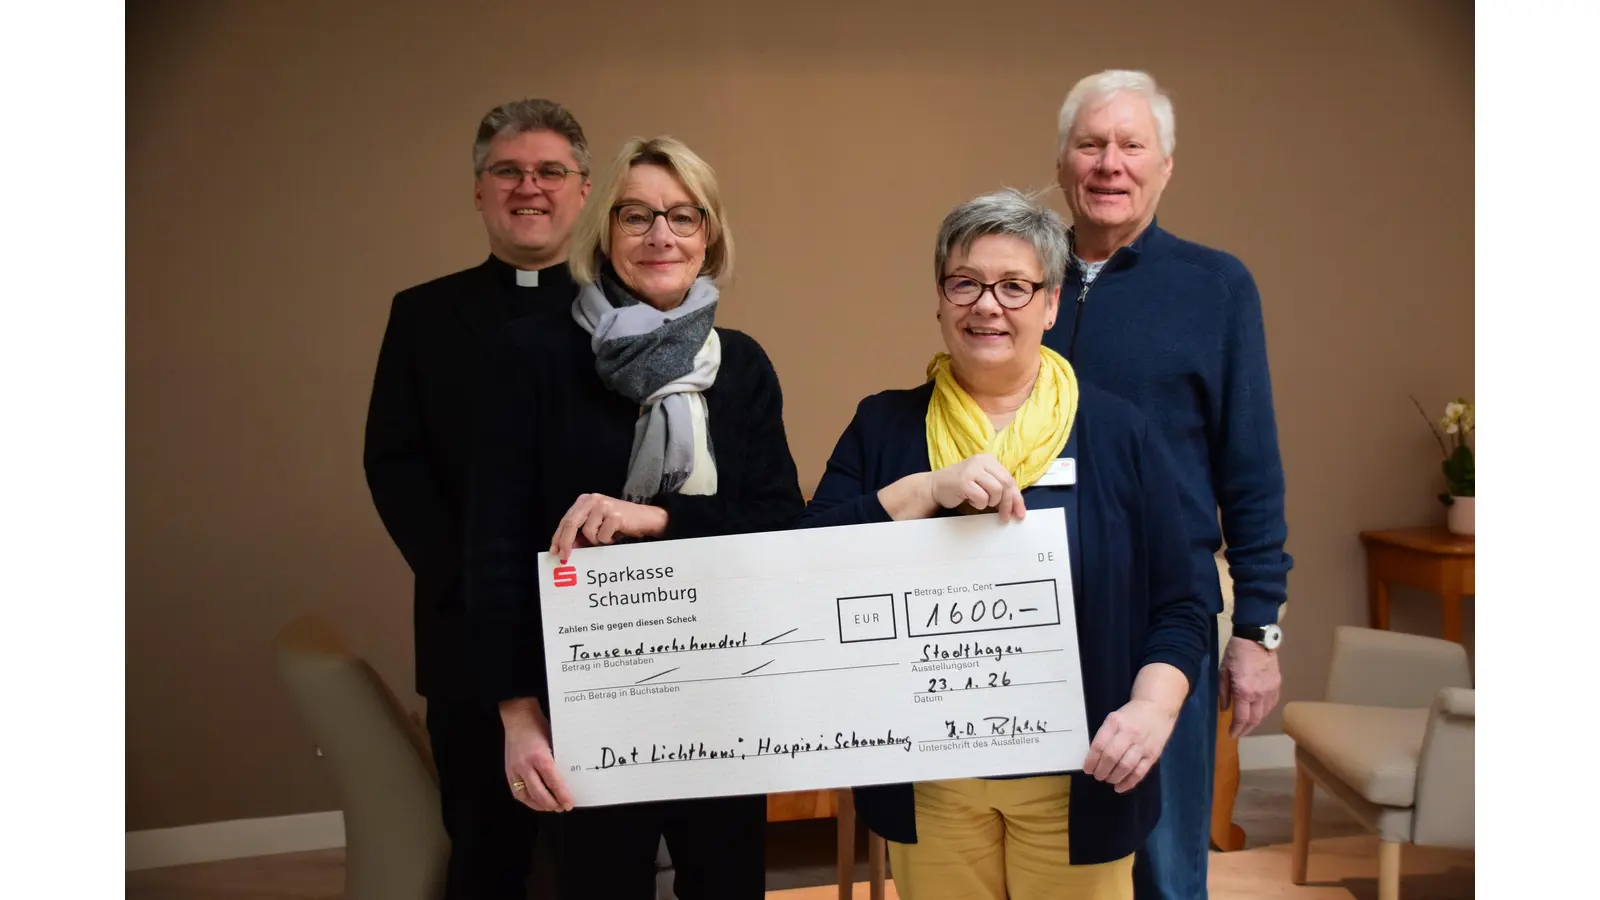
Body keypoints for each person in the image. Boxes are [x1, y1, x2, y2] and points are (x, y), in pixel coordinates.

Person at [799, 188, 1210, 899]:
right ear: (939, 299)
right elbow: (802, 567)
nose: (987, 305)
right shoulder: (885, 428)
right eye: (965, 283)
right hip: (931, 783)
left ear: (1051, 304)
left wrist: (1153, 708)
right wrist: (920, 492)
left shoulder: (1119, 433)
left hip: (1081, 781)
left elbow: (1182, 602)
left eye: (1015, 286)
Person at [462, 135, 805, 898]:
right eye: (637, 215)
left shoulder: (741, 365)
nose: (661, 235)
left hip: (722, 683)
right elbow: (491, 546)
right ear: (604, 230)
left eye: (684, 216)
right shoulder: (529, 355)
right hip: (586, 696)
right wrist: (518, 717)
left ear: (709, 236)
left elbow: (780, 529)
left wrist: (656, 520)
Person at [1042, 69, 1294, 900]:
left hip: (1169, 614)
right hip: (1030, 606)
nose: (1109, 163)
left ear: (1166, 165)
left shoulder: (1216, 287)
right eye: (1091, 144)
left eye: (1131, 145)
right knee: (1043, 855)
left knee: (1164, 866)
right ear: (1063, 162)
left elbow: (1251, 466)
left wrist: (1257, 631)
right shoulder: (1020, 279)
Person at [362, 97, 592, 899]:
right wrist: (473, 584)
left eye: (550, 171)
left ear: (583, 191)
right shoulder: (423, 315)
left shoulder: (625, 316)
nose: (529, 187)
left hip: (598, 625)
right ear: (479, 189)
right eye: (508, 171)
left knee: (599, 861)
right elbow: (394, 465)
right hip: (465, 634)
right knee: (488, 858)